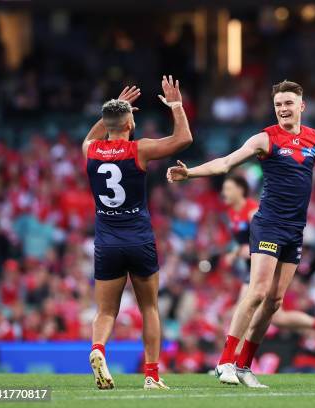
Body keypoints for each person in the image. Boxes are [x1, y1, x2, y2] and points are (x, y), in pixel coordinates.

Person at [167, 80, 315, 387]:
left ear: (301, 106)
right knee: (258, 291)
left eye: (288, 104)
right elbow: (226, 163)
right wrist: (190, 173)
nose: (283, 110)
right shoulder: (266, 138)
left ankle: (244, 366)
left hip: (295, 230)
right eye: (278, 105)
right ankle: (224, 362)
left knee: (275, 302)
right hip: (268, 225)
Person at [84, 76, 193, 390]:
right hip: (139, 239)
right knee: (149, 308)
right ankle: (152, 376)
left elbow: (92, 136)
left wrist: (112, 113)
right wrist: (176, 105)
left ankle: (97, 349)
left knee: (106, 310)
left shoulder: (90, 151)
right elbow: (183, 138)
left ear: (106, 124)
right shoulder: (139, 150)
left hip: (106, 242)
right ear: (130, 123)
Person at [221, 174, 315, 358]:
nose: (225, 193)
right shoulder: (232, 212)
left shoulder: (252, 211)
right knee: (278, 318)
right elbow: (244, 242)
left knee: (245, 308)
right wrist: (236, 252)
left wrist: (241, 251)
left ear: (241, 190)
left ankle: (232, 359)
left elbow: (262, 241)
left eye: (229, 189)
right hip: (251, 267)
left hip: (265, 266)